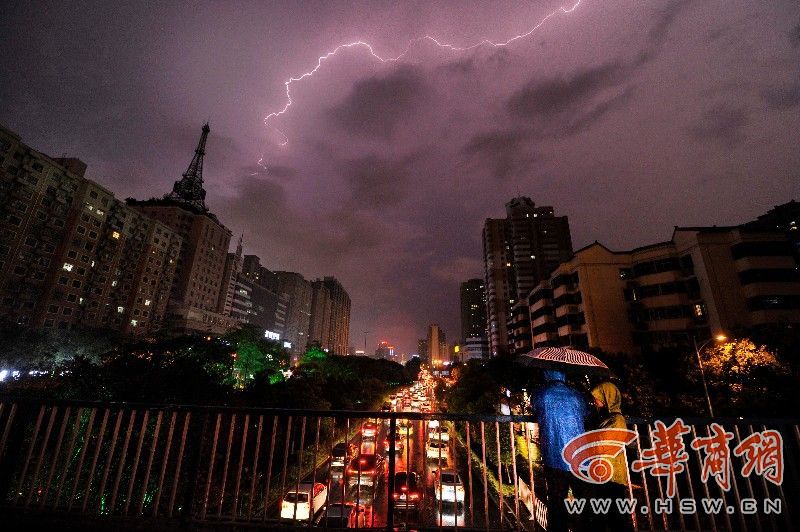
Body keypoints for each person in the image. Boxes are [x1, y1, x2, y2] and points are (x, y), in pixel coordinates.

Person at [532, 369, 589, 532]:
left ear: (546, 374)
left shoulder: (541, 393)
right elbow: (585, 413)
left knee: (557, 502)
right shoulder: (577, 394)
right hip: (579, 456)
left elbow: (534, 409)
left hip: (554, 455)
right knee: (583, 501)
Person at [589, 380, 635, 532]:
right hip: (606, 472)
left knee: (615, 514)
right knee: (609, 512)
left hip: (612, 474)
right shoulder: (609, 418)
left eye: (597, 397)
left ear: (606, 397)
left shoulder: (617, 420)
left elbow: (604, 442)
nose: (595, 401)